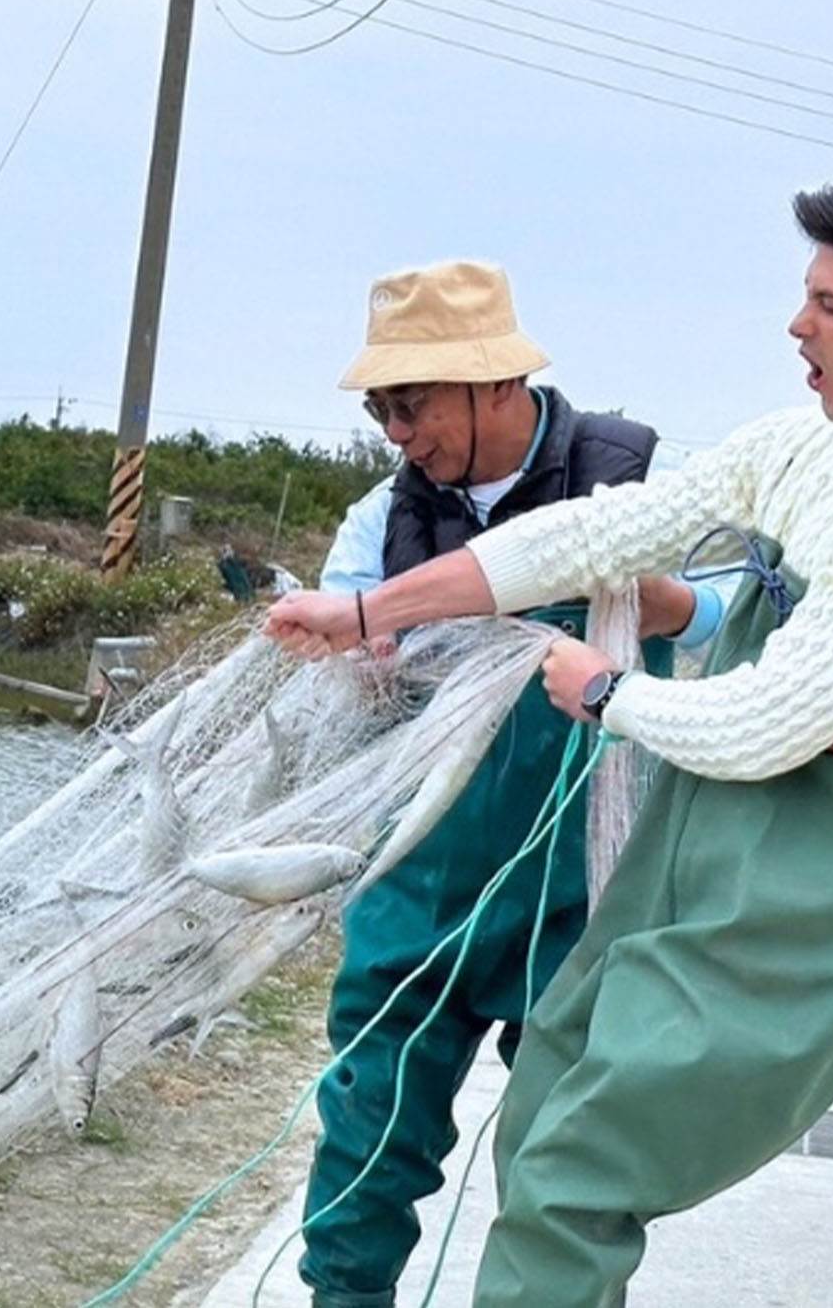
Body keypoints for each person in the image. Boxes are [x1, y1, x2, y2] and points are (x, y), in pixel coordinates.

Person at [267, 170, 833, 1304]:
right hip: (629, 859)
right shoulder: (806, 444)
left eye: (827, 306)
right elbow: (593, 534)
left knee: (578, 1172)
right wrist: (364, 613)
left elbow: (763, 721)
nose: (796, 325)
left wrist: (600, 689)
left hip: (780, 901)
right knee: (513, 1121)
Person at [295, 259, 715, 1308]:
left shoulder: (642, 492)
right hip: (420, 883)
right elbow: (350, 652)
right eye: (381, 408)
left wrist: (657, 604)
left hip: (588, 884)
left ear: (494, 385)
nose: (397, 430)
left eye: (413, 402)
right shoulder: (378, 523)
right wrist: (360, 654)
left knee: (569, 1160)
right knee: (368, 1129)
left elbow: (731, 621)